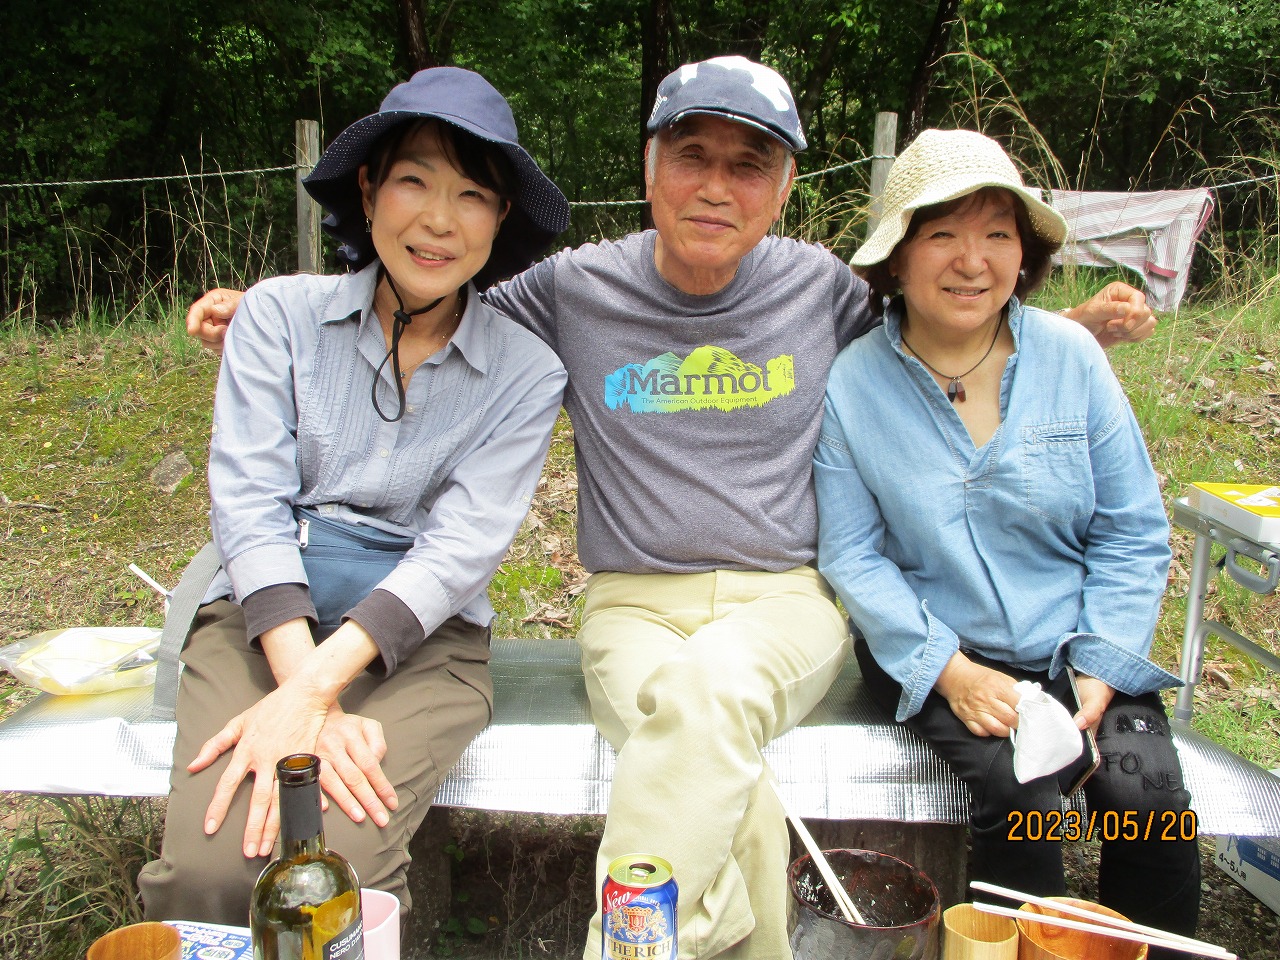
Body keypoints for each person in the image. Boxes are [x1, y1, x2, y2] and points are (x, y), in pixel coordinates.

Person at [183, 58, 1158, 959]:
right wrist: (288, 313)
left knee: (706, 699)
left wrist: (1062, 331)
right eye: (691, 156)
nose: (716, 187)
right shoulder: (571, 290)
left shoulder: (818, 289)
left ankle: (624, 947)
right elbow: (438, 301)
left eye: (749, 165)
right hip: (630, 604)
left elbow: (934, 327)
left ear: (783, 188)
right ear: (648, 170)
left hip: (783, 601)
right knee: (711, 758)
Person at [137, 67, 569, 924]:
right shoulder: (276, 317)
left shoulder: (528, 372)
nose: (439, 219)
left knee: (342, 866)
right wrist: (309, 695)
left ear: (500, 219)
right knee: (213, 866)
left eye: (472, 195)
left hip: (424, 637)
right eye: (413, 181)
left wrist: (310, 699)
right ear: (368, 191)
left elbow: (460, 551)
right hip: (263, 613)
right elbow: (249, 503)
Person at [813, 128, 1199, 954]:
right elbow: (852, 554)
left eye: (997, 233)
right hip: (934, 644)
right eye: (941, 234)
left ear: (1024, 254)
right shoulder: (854, 383)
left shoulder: (1072, 358)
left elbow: (1132, 529)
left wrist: (1100, 663)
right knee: (1021, 795)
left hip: (1075, 637)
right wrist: (951, 672)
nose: (972, 260)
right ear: (898, 256)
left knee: (1150, 803)